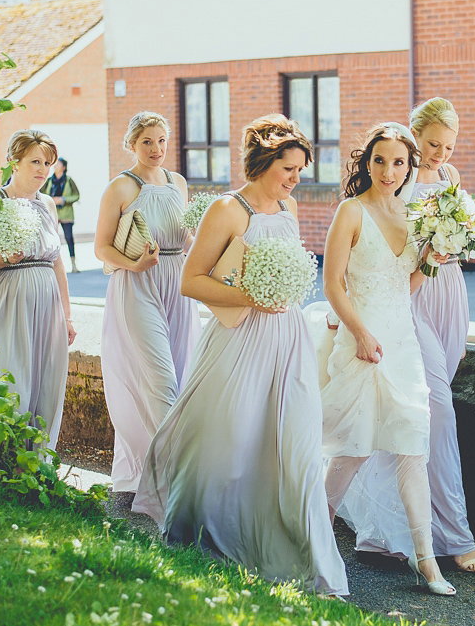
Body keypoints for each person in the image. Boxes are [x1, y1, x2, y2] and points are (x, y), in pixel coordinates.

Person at [132, 114, 348, 596]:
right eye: (288, 169)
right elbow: (192, 280)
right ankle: (201, 528)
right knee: (229, 440)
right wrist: (253, 297)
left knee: (295, 443)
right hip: (240, 339)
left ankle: (305, 549)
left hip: (288, 338)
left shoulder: (288, 209)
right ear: (264, 163)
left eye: (299, 171)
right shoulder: (227, 210)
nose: (295, 180)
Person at [339, 99, 475, 574]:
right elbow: (378, 249)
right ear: (414, 136)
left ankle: (388, 526)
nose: (438, 153)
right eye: (431, 144)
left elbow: (455, 241)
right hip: (408, 297)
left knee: (411, 415)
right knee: (437, 413)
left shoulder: (449, 178)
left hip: (448, 293)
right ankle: (454, 535)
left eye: (448, 146)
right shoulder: (398, 176)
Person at [316, 122, 456, 596]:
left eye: (399, 162)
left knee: (413, 450)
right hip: (362, 341)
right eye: (380, 160)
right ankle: (312, 540)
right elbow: (333, 284)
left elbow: (407, 284)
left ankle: (428, 563)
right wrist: (358, 333)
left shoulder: (417, 216)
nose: (389, 170)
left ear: (410, 166)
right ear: (366, 162)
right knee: (352, 450)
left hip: (403, 344)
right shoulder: (350, 212)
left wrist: (434, 258)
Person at [96, 111, 203, 507]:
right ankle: (174, 479)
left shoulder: (178, 183)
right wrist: (135, 264)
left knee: (180, 368)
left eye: (161, 140)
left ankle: (155, 468)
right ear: (131, 144)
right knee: (160, 380)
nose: (156, 149)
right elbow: (101, 247)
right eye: (147, 142)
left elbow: (186, 236)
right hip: (137, 283)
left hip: (177, 282)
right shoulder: (121, 187)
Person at [0, 129, 77, 451]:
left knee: (46, 384)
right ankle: (6, 460)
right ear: (14, 162)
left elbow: (57, 263)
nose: (43, 169)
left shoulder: (48, 204)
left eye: (47, 162)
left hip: (46, 310)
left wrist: (67, 316)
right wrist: (2, 258)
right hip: (5, 306)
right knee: (10, 378)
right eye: (35, 161)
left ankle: (39, 462)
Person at [41, 157, 81, 273]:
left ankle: (73, 264)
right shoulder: (49, 181)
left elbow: (76, 195)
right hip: (52, 214)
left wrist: (63, 200)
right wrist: (51, 200)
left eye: (58, 164)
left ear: (64, 167)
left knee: (69, 238)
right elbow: (41, 194)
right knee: (51, 239)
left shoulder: (69, 180)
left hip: (66, 214)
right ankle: (50, 265)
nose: (56, 165)